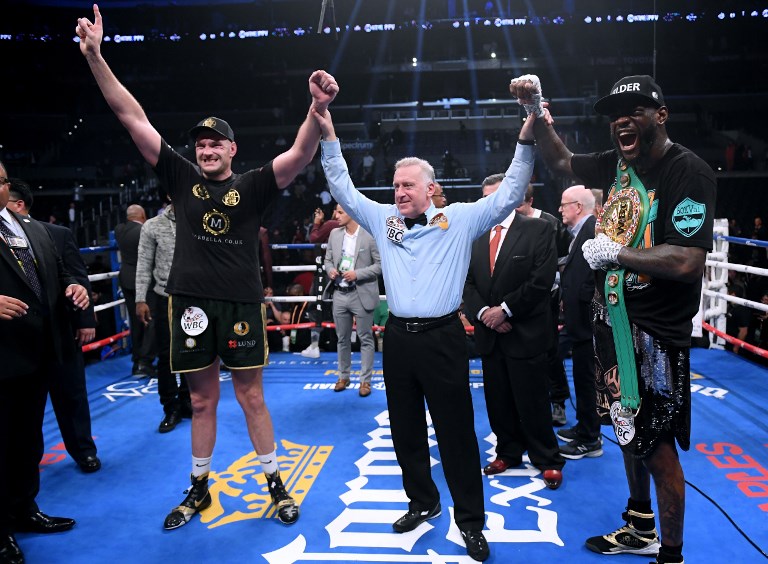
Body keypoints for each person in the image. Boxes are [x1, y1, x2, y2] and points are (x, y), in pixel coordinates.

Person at [77, 4, 338, 529]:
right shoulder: (178, 176)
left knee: (253, 398)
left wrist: (315, 109)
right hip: (190, 305)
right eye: (200, 142)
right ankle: (198, 487)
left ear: (232, 149)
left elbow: (301, 154)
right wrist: (95, 57)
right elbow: (132, 117)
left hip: (240, 302)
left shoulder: (255, 183)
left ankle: (275, 484)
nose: (207, 147)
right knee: (200, 402)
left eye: (216, 141)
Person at [311, 95, 537, 563]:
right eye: (395, 185)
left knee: (456, 433)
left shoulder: (460, 219)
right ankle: (423, 501)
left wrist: (528, 130)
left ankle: (471, 522)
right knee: (405, 430)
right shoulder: (385, 220)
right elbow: (344, 189)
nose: (399, 192)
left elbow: (513, 190)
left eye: (408, 185)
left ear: (431, 188)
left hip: (442, 338)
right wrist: (329, 134)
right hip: (397, 338)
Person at [510, 74, 716, 564]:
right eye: (615, 115)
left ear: (660, 116)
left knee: (659, 448)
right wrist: (535, 109)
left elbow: (687, 258)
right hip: (613, 325)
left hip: (656, 337)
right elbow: (561, 161)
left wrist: (619, 254)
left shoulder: (687, 171)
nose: (622, 120)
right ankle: (640, 524)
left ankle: (671, 555)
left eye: (636, 110)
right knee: (627, 432)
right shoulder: (617, 164)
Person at [0, 162, 90, 564]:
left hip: (37, 354)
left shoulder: (30, 228)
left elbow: (60, 272)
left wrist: (73, 286)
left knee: (27, 440)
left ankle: (24, 509)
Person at [463, 173, 565, 490]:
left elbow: (541, 280)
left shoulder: (538, 228)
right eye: (484, 197)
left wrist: (504, 311)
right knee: (498, 399)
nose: (487, 202)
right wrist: (483, 314)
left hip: (526, 331)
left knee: (533, 399)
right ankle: (508, 452)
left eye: (493, 195)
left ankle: (547, 458)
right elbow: (465, 283)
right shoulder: (475, 234)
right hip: (491, 335)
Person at [7, 179, 101, 473]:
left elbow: (75, 276)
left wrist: (84, 318)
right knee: (23, 411)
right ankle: (25, 466)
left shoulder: (54, 233)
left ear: (19, 204)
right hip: (16, 339)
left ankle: (83, 450)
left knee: (72, 395)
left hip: (60, 332)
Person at [515, 183, 572, 426]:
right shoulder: (506, 223)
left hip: (547, 297)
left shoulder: (550, 223)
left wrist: (564, 299)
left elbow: (564, 265)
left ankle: (557, 402)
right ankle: (526, 402)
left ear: (528, 201)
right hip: (516, 298)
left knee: (550, 351)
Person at [135, 198, 192, 433]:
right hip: (164, 297)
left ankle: (188, 400)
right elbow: (144, 263)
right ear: (170, 194)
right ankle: (171, 407)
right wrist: (140, 298)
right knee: (167, 356)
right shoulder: (153, 225)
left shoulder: (201, 222)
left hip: (196, 299)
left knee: (194, 352)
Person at [556, 185, 603, 459]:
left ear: (578, 207)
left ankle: (590, 438)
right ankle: (584, 427)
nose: (560, 210)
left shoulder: (593, 229)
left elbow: (596, 276)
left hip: (588, 322)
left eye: (564, 205)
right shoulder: (579, 233)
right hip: (581, 322)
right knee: (582, 378)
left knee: (587, 380)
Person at [322, 204, 382, 397]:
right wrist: (330, 270)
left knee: (365, 338)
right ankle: (343, 376)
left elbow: (380, 265)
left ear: (352, 212)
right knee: (342, 338)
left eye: (340, 212)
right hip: (339, 293)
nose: (335, 216)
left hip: (361, 292)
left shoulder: (369, 234)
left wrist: (358, 273)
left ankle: (365, 381)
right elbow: (328, 260)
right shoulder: (334, 234)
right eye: (335, 212)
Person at [114, 203, 155, 377]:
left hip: (126, 278)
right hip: (144, 281)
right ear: (143, 215)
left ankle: (137, 361)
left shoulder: (119, 230)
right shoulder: (144, 231)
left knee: (136, 320)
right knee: (151, 319)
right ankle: (145, 362)